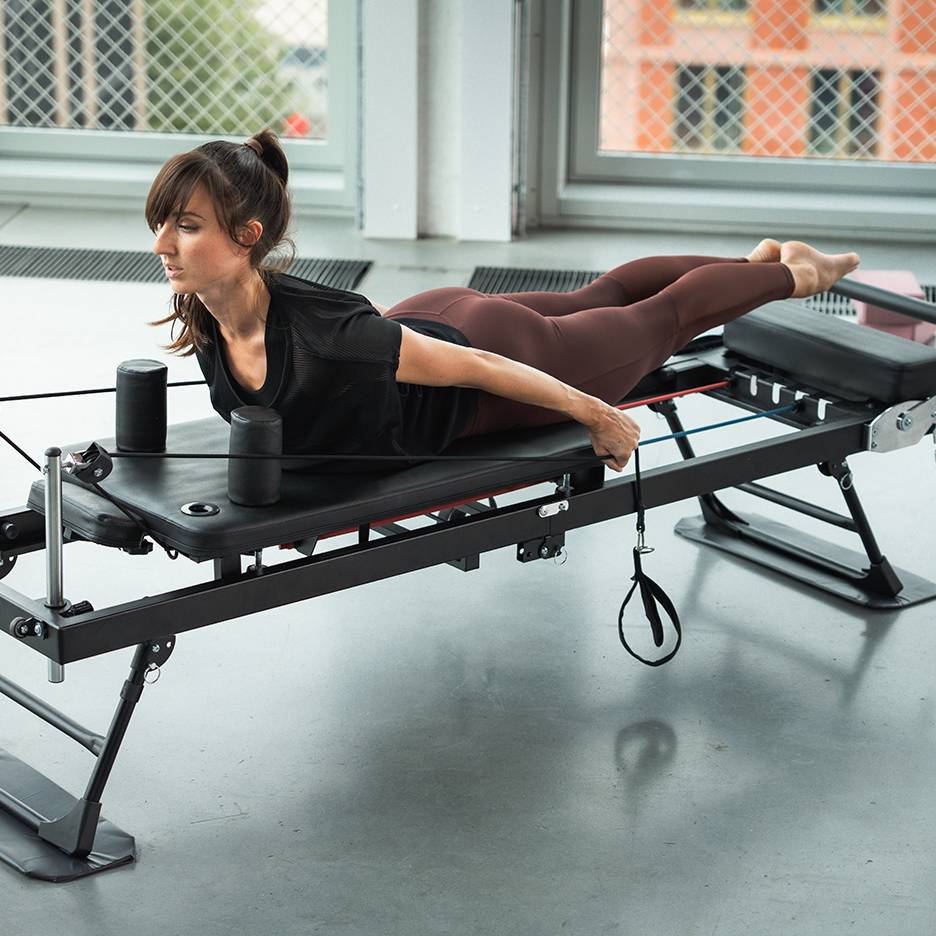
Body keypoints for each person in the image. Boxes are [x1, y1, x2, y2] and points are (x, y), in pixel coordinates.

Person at [147, 129, 860, 473]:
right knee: (601, 294)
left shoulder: (326, 335)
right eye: (161, 223)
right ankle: (753, 262)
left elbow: (481, 369)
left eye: (186, 227)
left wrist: (597, 413)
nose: (162, 245)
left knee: (661, 320)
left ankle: (796, 273)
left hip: (492, 356)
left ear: (247, 237)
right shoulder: (207, 316)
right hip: (439, 317)